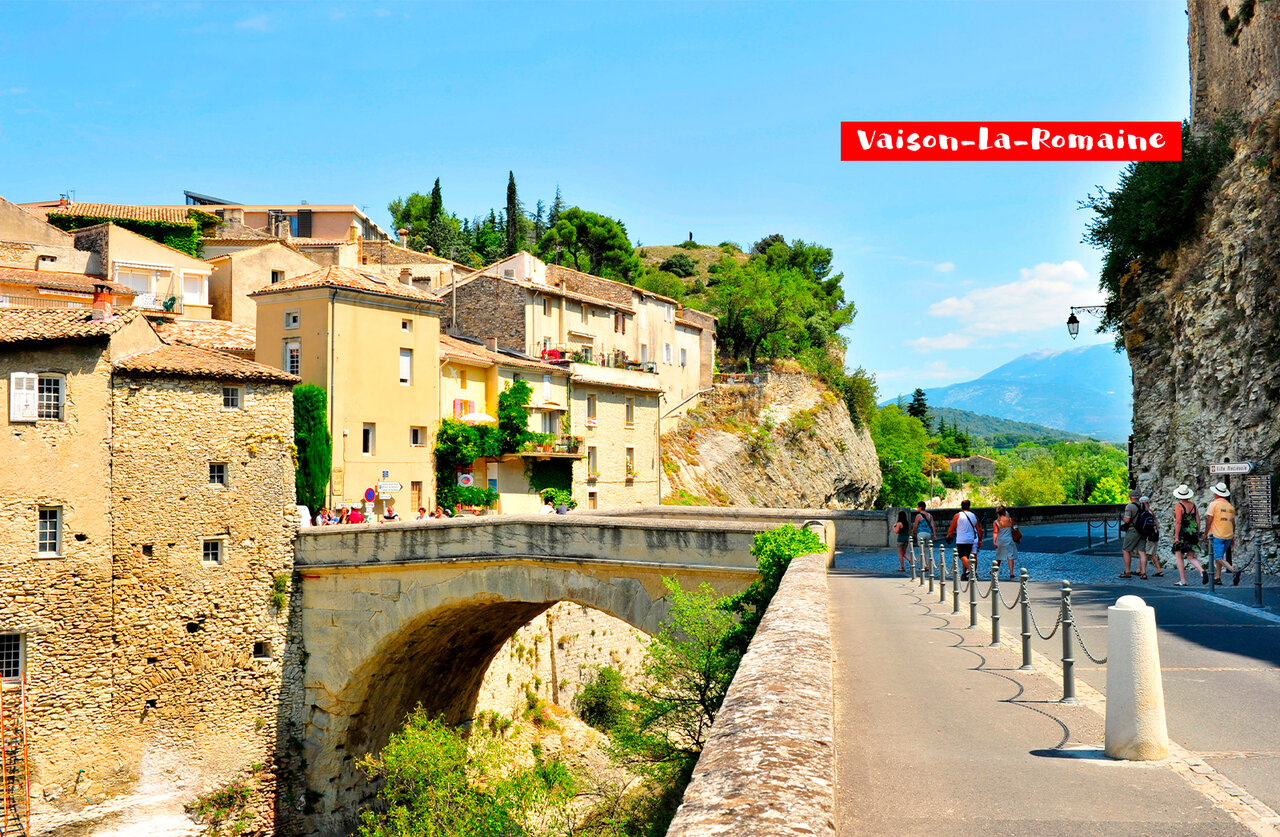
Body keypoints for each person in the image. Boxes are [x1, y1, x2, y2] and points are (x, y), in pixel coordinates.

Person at [1171, 484, 1207, 586]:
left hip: (1183, 533)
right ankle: (1202, 571)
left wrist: (1176, 536)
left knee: (1179, 557)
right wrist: (1197, 533)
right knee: (1191, 557)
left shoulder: (1179, 506)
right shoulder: (1194, 506)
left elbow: (1178, 522)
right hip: (1193, 532)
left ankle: (1183, 581)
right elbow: (1198, 521)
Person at [1206, 482, 1240, 585]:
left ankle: (1234, 570)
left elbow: (1209, 520)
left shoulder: (1213, 504)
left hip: (1217, 534)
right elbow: (1233, 523)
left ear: (1216, 494)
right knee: (1220, 556)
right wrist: (1232, 536)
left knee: (1218, 557)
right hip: (1228, 535)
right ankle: (1218, 577)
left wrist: (1205, 533)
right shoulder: (1230, 506)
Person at [947, 499, 982, 580]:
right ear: (969, 506)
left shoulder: (958, 516)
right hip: (971, 540)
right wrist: (980, 539)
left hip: (961, 539)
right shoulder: (974, 516)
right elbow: (979, 529)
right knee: (967, 556)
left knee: (962, 556)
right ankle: (964, 574)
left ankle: (972, 571)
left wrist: (948, 535)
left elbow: (952, 528)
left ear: (961, 506)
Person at [1136, 495, 1163, 579]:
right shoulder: (1151, 511)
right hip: (1154, 534)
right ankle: (1140, 569)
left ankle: (1142, 570)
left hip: (1149, 535)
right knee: (1150, 553)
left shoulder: (1147, 512)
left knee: (1146, 553)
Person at [992, 504, 1019, 580]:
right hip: (1009, 540)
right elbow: (1015, 528)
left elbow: (995, 532)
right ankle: (1011, 572)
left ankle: (995, 570)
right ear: (1004, 512)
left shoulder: (996, 522)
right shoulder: (1010, 520)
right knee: (1010, 556)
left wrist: (994, 541)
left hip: (1000, 540)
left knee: (999, 556)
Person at [1119, 490, 1141, 579]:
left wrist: (1123, 518)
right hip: (1142, 530)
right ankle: (1143, 572)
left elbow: (1127, 520)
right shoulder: (1143, 505)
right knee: (1142, 552)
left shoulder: (1130, 506)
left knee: (1126, 550)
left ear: (1130, 497)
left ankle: (1127, 571)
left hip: (1133, 530)